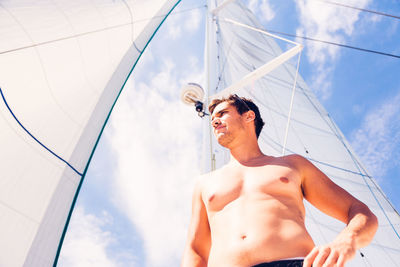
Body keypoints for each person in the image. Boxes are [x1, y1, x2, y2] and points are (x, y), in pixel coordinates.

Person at [181, 94, 378, 267]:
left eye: (222, 113)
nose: (214, 122)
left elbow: (361, 213)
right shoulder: (204, 183)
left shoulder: (293, 165)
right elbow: (195, 250)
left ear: (249, 116)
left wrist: (346, 240)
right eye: (212, 118)